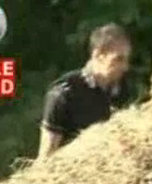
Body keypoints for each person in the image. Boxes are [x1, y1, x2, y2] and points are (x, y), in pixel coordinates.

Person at [37, 23, 133, 159]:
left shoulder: (121, 88)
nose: (125, 67)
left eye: (127, 59)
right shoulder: (64, 94)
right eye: (119, 59)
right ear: (98, 55)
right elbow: (46, 157)